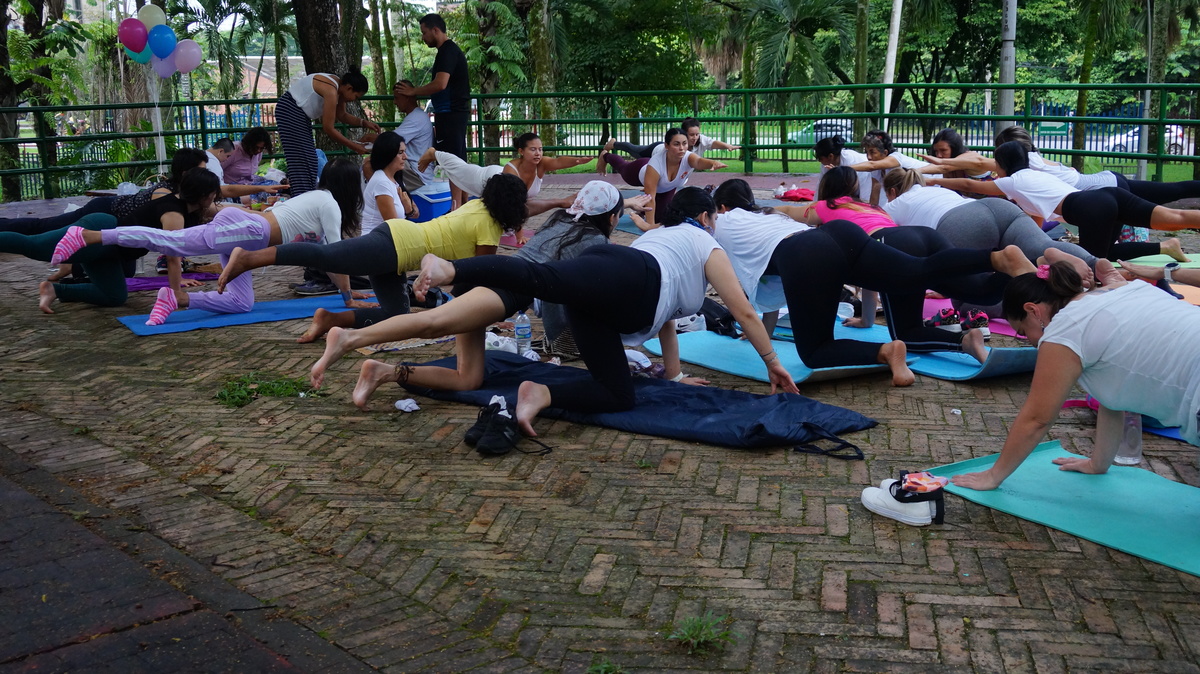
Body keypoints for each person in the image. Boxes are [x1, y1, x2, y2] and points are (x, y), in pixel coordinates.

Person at [409, 187, 799, 436]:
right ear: (703, 218)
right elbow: (744, 313)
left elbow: (668, 315)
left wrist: (676, 375)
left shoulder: (665, 237)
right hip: (623, 276)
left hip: (607, 303)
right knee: (538, 278)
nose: (716, 226)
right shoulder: (704, 242)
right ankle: (451, 269)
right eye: (714, 218)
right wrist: (772, 362)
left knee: (617, 394)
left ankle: (539, 393)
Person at [304, 183, 654, 410]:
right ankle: (349, 338)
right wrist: (558, 340)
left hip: (494, 280)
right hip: (503, 291)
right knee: (433, 323)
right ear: (611, 218)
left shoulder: (563, 220)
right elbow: (562, 299)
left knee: (468, 379)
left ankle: (383, 372)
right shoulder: (591, 242)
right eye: (618, 215)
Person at [710, 178, 1036, 377]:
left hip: (810, 254)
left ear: (718, 209)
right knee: (917, 273)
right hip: (842, 235)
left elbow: (747, 303)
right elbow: (768, 287)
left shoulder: (717, 226)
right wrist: (762, 333)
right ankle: (996, 259)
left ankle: (886, 351)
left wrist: (766, 352)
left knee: (815, 351)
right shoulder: (766, 215)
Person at [951, 260, 1200, 491]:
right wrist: (1097, 464)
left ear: (1033, 310)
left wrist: (993, 476)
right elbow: (1113, 399)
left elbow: (1037, 419)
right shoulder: (1121, 289)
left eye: (1023, 332)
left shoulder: (1064, 331)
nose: (1030, 341)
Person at [49, 159, 364, 326]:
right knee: (171, 242)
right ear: (349, 188)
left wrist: (348, 293)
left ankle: (177, 300)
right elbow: (336, 255)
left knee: (242, 303)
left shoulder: (317, 198)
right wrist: (349, 299)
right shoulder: (328, 204)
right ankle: (89, 236)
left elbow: (328, 258)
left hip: (246, 237)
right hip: (248, 231)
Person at [216, 173, 529, 330]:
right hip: (396, 244)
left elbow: (469, 280)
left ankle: (329, 320)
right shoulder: (488, 227)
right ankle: (249, 258)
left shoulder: (477, 205)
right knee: (327, 256)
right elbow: (479, 277)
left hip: (399, 254)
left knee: (396, 315)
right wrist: (488, 315)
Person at [928, 141, 1200, 261]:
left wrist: (934, 181)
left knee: (1094, 265)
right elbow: (1034, 224)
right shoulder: (1034, 174)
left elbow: (969, 185)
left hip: (1092, 207)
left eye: (996, 164)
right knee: (1174, 218)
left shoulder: (1013, 181)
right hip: (1109, 195)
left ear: (1003, 165)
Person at [0, 169, 221, 314]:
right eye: (214, 193)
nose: (216, 197)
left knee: (114, 296)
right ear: (204, 195)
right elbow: (172, 258)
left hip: (111, 253)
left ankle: (54, 290)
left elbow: (224, 210)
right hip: (97, 232)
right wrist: (176, 293)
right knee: (35, 246)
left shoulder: (191, 206)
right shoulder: (174, 214)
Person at [396, 14, 470, 207]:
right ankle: (462, 204)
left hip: (450, 113)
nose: (423, 37)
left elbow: (440, 84)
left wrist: (413, 91)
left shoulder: (448, 51)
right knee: (457, 160)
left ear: (435, 30)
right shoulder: (447, 51)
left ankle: (456, 208)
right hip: (451, 113)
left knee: (451, 161)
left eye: (424, 32)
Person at [596, 129, 728, 227]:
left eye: (684, 144)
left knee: (662, 218)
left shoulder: (688, 157)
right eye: (676, 144)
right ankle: (606, 156)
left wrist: (712, 163)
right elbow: (650, 197)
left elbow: (699, 162)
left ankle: (643, 213)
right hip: (638, 171)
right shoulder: (656, 164)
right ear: (666, 146)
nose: (682, 148)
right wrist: (649, 227)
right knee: (623, 167)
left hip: (667, 188)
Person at [277, 71, 379, 197]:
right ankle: (301, 196)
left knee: (311, 160)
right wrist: (354, 146)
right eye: (356, 96)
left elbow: (342, 115)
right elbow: (328, 128)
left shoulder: (339, 87)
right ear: (349, 88)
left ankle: (306, 194)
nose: (354, 100)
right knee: (301, 159)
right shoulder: (331, 91)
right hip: (291, 110)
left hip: (300, 114)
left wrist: (363, 122)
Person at [416, 132, 589, 198]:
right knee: (460, 168)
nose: (538, 153)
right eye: (533, 149)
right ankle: (434, 153)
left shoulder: (541, 163)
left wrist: (577, 161)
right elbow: (515, 202)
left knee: (461, 168)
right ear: (521, 151)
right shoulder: (511, 169)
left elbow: (558, 162)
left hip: (499, 181)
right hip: (486, 179)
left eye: (540, 149)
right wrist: (519, 234)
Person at [839, 129, 939, 206]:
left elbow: (871, 165)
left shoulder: (895, 158)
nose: (868, 157)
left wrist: (843, 169)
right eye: (867, 152)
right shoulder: (876, 167)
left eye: (872, 152)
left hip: (936, 185)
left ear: (885, 152)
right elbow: (875, 191)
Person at [360, 132, 416, 234]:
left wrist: (409, 210)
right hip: (376, 240)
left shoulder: (395, 179)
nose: (405, 156)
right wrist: (408, 210)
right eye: (400, 152)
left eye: (405, 151)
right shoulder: (381, 183)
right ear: (388, 154)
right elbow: (394, 227)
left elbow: (416, 213)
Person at [612, 117, 740, 159]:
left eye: (697, 134)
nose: (695, 138)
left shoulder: (701, 139)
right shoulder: (671, 147)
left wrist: (727, 146)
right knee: (635, 151)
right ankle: (614, 143)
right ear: (684, 133)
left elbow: (713, 143)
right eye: (691, 135)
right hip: (655, 150)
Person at [392, 80, 435, 191]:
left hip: (417, 174)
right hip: (417, 172)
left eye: (397, 98)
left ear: (407, 97)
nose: (394, 102)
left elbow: (391, 140)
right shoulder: (417, 116)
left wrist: (370, 139)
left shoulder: (416, 118)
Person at [814, 135, 872, 202]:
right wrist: (816, 204)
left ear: (830, 156)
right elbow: (821, 185)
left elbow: (859, 191)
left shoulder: (850, 160)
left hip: (865, 180)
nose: (819, 161)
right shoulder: (826, 163)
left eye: (820, 158)